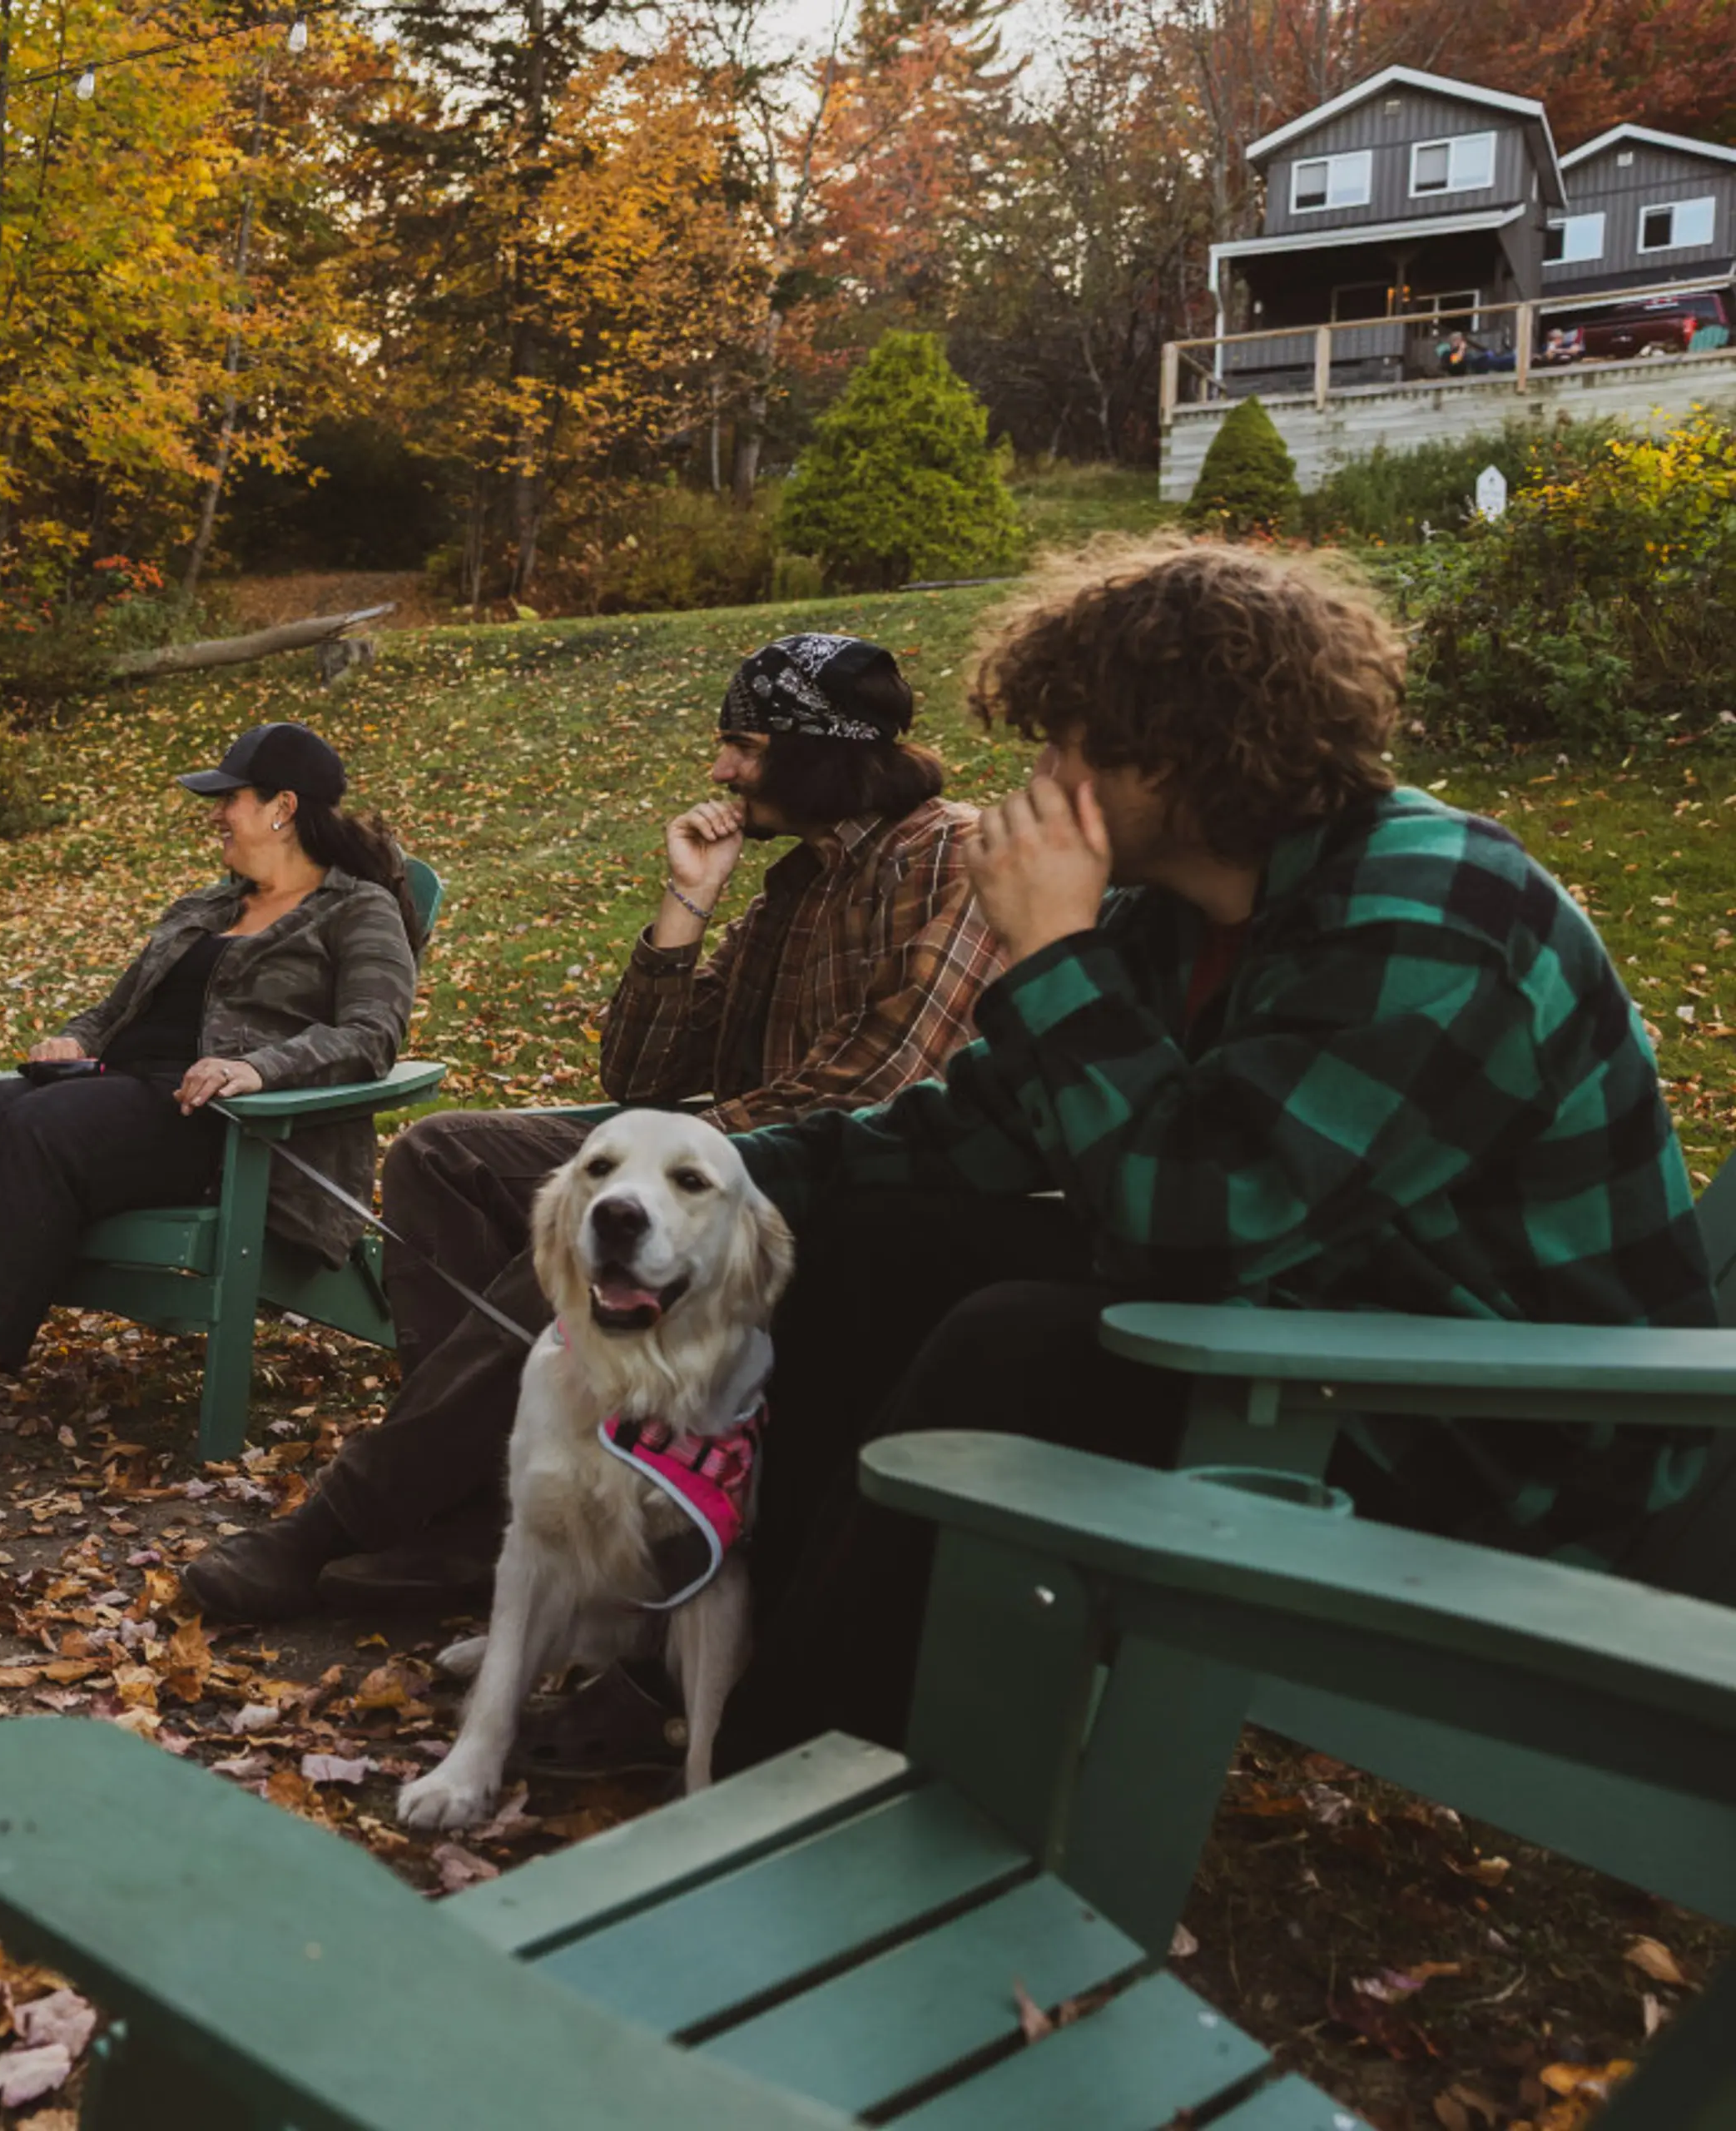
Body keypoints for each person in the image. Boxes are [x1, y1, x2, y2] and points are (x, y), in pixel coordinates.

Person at [717, 537, 1718, 1766]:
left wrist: (1050, 955)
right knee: (872, 1236)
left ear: (1178, 752)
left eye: (1063, 744)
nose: (1035, 780)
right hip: (1309, 1330)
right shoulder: (1175, 919)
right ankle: (776, 1666)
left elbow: (1193, 1228)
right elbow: (959, 1135)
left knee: (1017, 1345)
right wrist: (713, 1178)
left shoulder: (1441, 911)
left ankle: (806, 1764)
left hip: (1494, 1444)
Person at [182, 633, 1006, 1656]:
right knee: (443, 1156)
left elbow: (877, 1083)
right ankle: (483, 1508)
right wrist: (687, 900)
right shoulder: (799, 884)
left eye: (744, 746)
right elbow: (640, 1074)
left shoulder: (956, 858)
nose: (720, 770)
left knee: (587, 1215)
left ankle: (345, 1516)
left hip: (846, 1191)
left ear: (823, 750)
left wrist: (659, 1159)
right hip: (723, 1158)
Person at [0, 721, 424, 1495]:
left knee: (41, 1129)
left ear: (282, 808)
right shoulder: (205, 908)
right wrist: (74, 1038)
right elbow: (116, 1011)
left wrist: (256, 1069)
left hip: (221, 1126)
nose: (215, 816)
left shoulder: (357, 910)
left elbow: (372, 1034)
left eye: (228, 800)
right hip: (114, 1092)